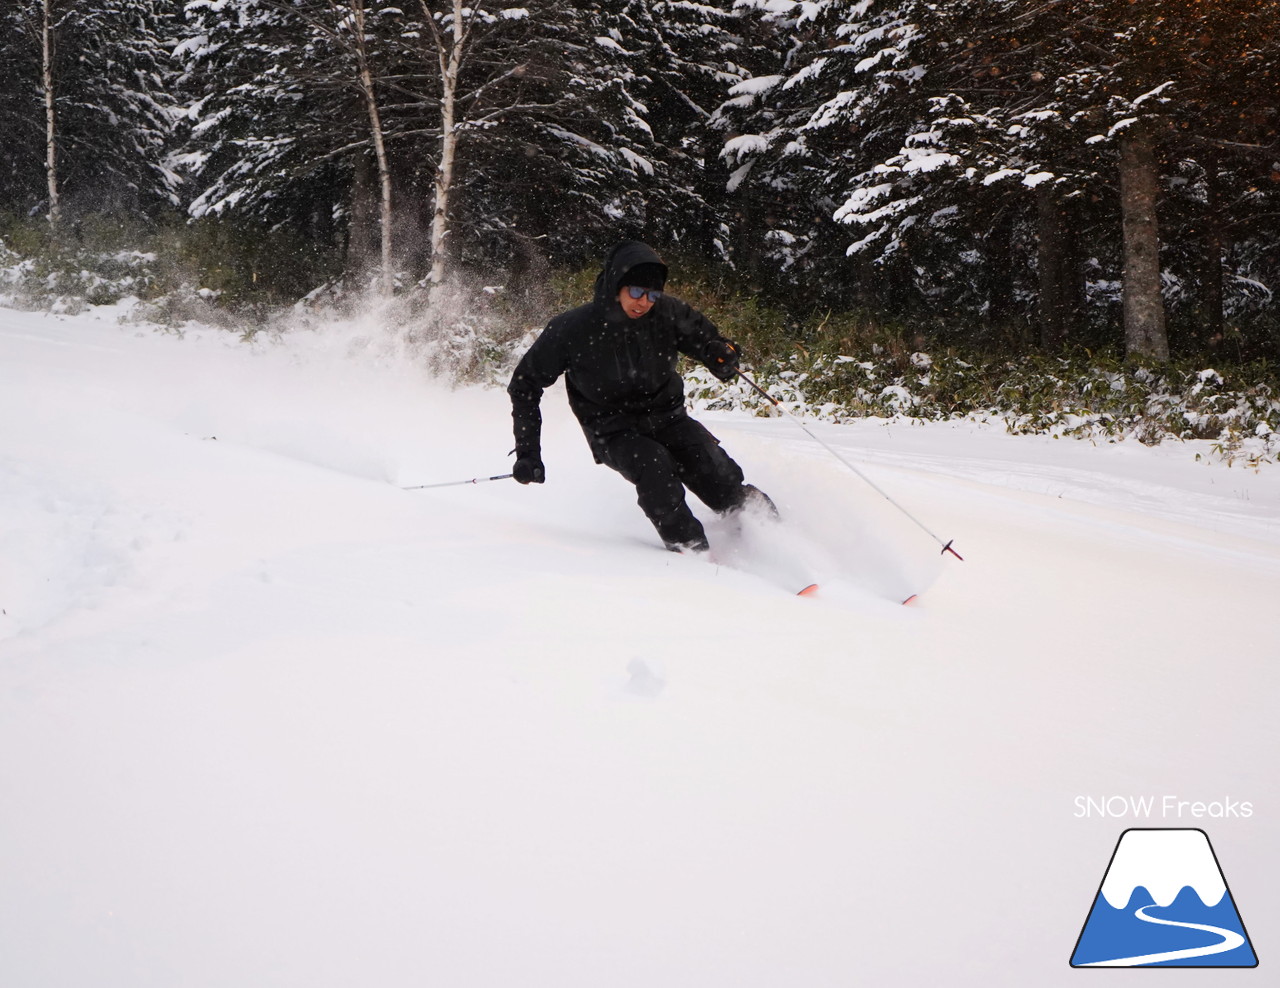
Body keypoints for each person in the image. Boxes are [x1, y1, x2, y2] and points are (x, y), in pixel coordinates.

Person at [507, 240, 773, 553]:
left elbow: (710, 342)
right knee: (655, 468)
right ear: (615, 285)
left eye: (652, 294)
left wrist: (722, 356)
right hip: (612, 429)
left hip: (668, 417)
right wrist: (528, 453)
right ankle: (695, 555)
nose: (644, 302)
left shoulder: (668, 313)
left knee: (714, 470)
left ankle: (775, 536)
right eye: (635, 292)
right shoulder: (573, 328)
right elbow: (525, 385)